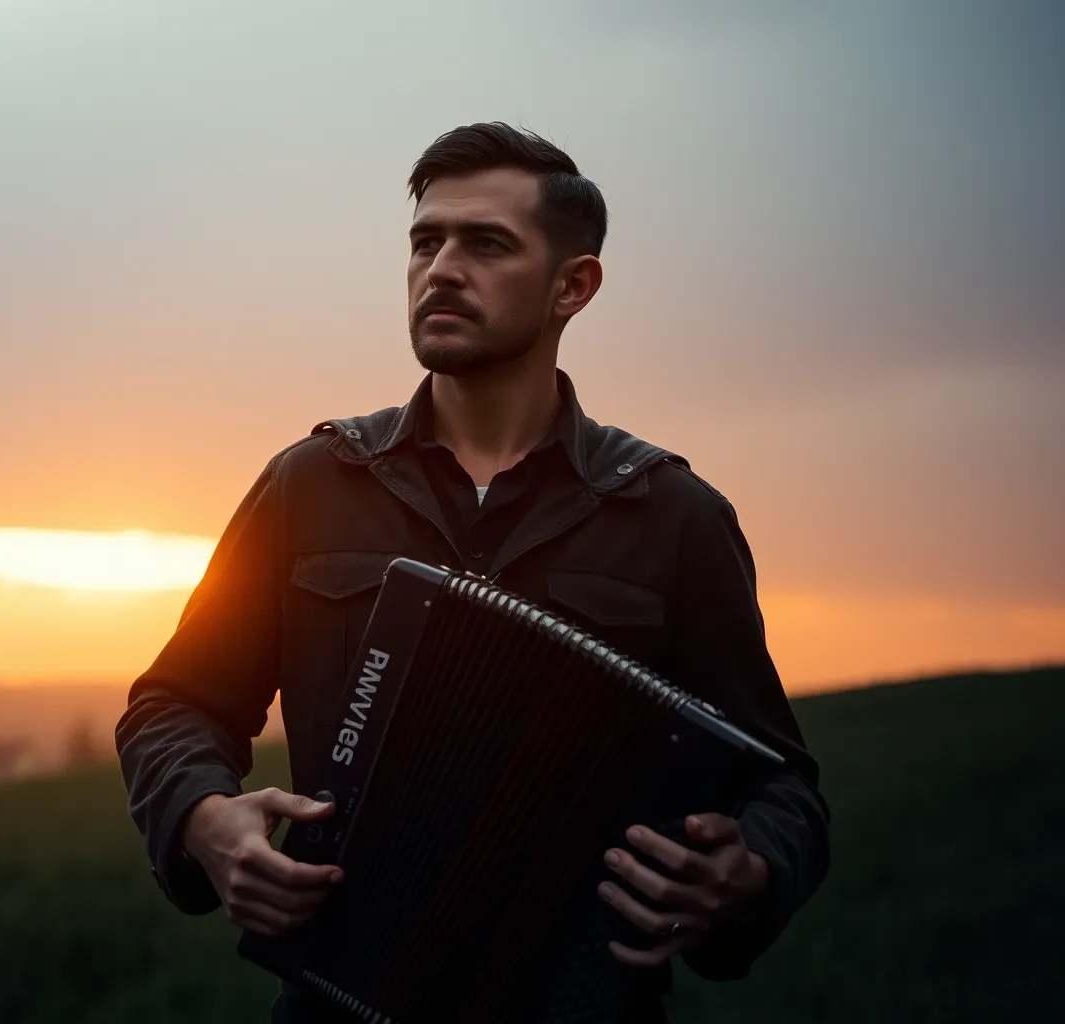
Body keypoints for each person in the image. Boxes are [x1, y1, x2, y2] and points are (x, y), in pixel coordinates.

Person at [114, 123, 830, 1022]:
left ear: (573, 285)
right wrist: (202, 819)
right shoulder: (311, 484)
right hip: (337, 1004)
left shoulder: (674, 517)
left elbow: (782, 786)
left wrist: (751, 871)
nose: (442, 269)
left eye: (486, 245)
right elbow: (175, 703)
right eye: (426, 242)